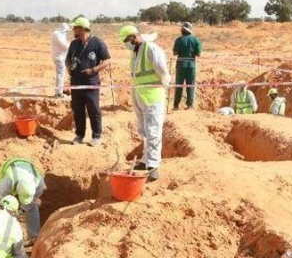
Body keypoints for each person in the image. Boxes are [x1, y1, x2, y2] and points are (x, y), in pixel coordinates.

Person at [120, 25, 171, 182]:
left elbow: (162, 71)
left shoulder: (151, 48)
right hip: (140, 95)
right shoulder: (136, 52)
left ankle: (154, 165)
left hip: (153, 96)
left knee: (153, 130)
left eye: (127, 41)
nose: (126, 44)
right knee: (144, 130)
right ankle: (145, 160)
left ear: (133, 37)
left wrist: (164, 84)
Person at [65, 17, 111, 146]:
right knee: (78, 110)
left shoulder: (97, 43)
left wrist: (93, 70)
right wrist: (69, 67)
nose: (73, 30)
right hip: (76, 83)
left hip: (91, 83)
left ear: (81, 29)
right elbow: (67, 59)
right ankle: (79, 135)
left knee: (93, 110)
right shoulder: (74, 44)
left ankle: (96, 136)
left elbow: (107, 60)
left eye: (75, 28)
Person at [0, 158, 45, 244]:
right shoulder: (7, 183)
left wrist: (19, 212)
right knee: (1, 210)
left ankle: (35, 238)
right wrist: (6, 215)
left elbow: (31, 202)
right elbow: (0, 202)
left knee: (32, 207)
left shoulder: (39, 185)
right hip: (9, 169)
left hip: (24, 169)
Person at [172, 22, 202, 110]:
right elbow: (198, 53)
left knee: (179, 85)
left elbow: (175, 52)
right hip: (191, 65)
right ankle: (189, 105)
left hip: (181, 65)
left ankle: (176, 105)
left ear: (183, 30)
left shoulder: (178, 40)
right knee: (190, 85)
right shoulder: (196, 40)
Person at [50, 23, 70, 98]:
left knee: (60, 74)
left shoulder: (56, 34)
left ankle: (58, 92)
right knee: (60, 75)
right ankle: (59, 93)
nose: (67, 33)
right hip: (59, 57)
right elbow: (65, 46)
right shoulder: (57, 34)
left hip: (58, 56)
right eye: (66, 31)